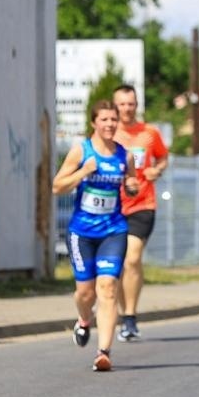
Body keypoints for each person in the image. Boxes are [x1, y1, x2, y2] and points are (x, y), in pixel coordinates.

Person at [51, 99, 139, 371]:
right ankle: (83, 319)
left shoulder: (125, 156)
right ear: (94, 123)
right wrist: (83, 172)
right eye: (104, 120)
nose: (110, 124)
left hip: (113, 230)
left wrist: (132, 186)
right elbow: (57, 187)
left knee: (108, 288)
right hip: (82, 233)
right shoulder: (82, 151)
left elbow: (132, 183)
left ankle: (104, 352)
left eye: (114, 119)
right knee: (85, 294)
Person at [113, 83, 169, 341]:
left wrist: (157, 170)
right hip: (114, 206)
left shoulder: (149, 133)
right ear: (115, 106)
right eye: (122, 104)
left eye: (131, 104)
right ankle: (122, 314)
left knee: (132, 259)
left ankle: (130, 317)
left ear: (137, 105)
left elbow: (163, 157)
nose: (127, 109)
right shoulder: (109, 133)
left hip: (143, 204)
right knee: (119, 264)